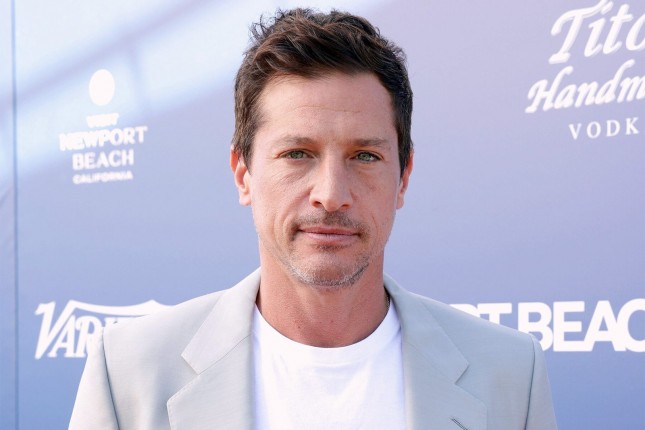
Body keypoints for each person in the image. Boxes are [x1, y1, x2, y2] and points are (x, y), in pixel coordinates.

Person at [69, 8, 558, 430]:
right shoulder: (129, 373)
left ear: (403, 177)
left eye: (364, 156)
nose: (331, 195)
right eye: (297, 153)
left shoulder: (510, 375)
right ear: (243, 174)